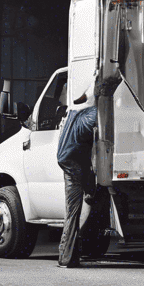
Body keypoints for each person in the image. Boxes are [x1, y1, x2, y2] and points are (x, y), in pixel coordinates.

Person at [56, 82, 102, 268]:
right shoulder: (93, 115)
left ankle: (66, 256)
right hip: (75, 164)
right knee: (82, 205)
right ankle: (70, 256)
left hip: (65, 161)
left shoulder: (73, 113)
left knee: (72, 211)